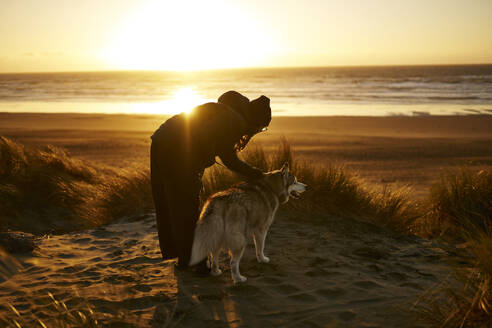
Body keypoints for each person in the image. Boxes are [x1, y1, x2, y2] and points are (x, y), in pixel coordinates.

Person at [150, 90, 271, 268]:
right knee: (186, 204)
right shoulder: (234, 121)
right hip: (175, 147)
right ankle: (194, 263)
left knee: (172, 202)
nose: (256, 131)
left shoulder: (226, 112)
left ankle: (185, 259)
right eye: (260, 127)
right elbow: (227, 158)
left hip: (161, 139)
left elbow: (202, 137)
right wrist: (256, 174)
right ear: (256, 119)